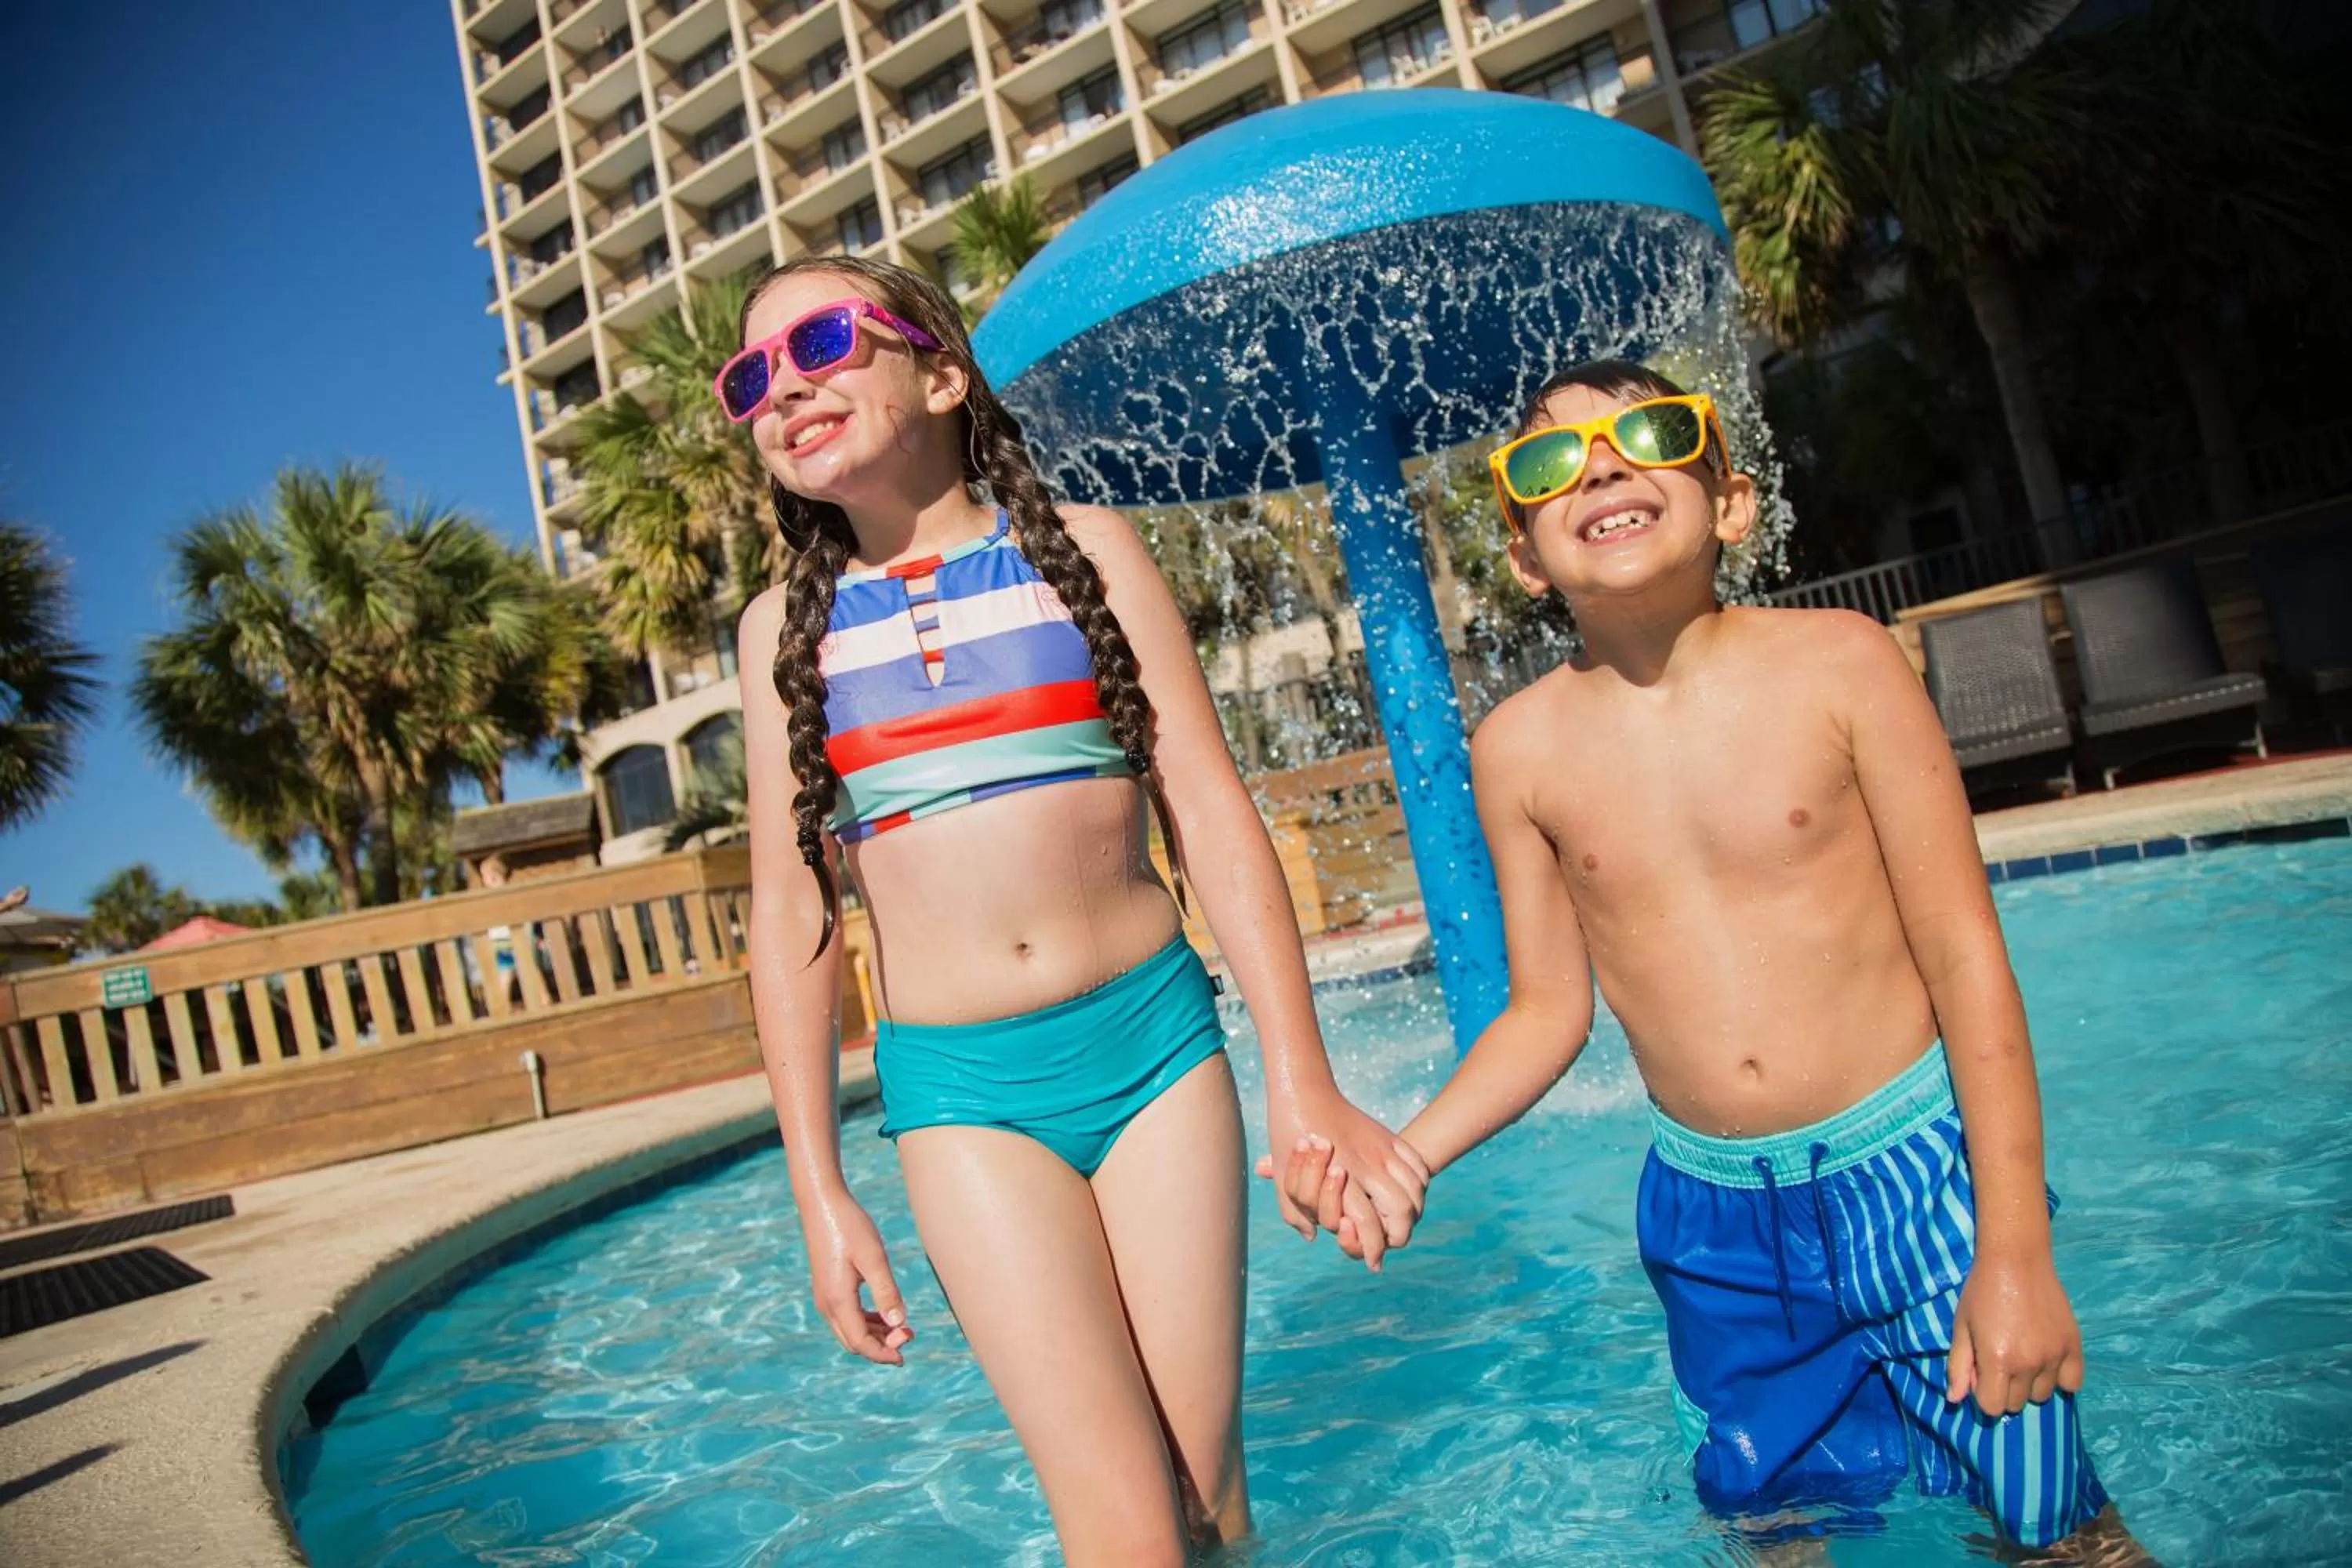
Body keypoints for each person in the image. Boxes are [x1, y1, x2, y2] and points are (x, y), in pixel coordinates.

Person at [1277, 361, 2140, 1555]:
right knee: (1779, 1525)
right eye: (1549, 464)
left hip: (1915, 1173)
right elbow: (1543, 1011)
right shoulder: (1518, 748)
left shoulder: (1842, 665)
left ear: (1731, 499)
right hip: (1713, 1219)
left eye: (1650, 435)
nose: (1604, 467)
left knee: (2051, 1521)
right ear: (1526, 557)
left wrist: (2015, 1251)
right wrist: (1408, 1153)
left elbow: (1966, 959)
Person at [728, 256, 1428, 1566]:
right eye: (752, 376)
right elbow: (789, 916)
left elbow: (1209, 813)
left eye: (821, 340)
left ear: (940, 373)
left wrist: (1303, 1076)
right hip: (966, 1099)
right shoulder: (785, 634)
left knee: (1203, 1492)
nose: (786, 385)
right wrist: (819, 1192)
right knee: (1119, 1527)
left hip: (1154, 1057)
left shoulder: (1087, 552)